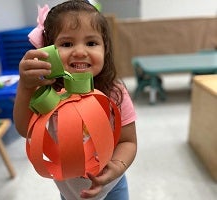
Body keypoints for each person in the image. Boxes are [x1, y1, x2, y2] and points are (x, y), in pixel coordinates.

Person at [13, 0, 137, 199]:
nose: (80, 51)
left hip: (112, 186)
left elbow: (128, 141)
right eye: (67, 44)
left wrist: (116, 166)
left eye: (91, 43)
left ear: (105, 48)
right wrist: (25, 87)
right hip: (70, 190)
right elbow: (23, 129)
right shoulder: (47, 92)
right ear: (48, 50)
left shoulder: (114, 93)